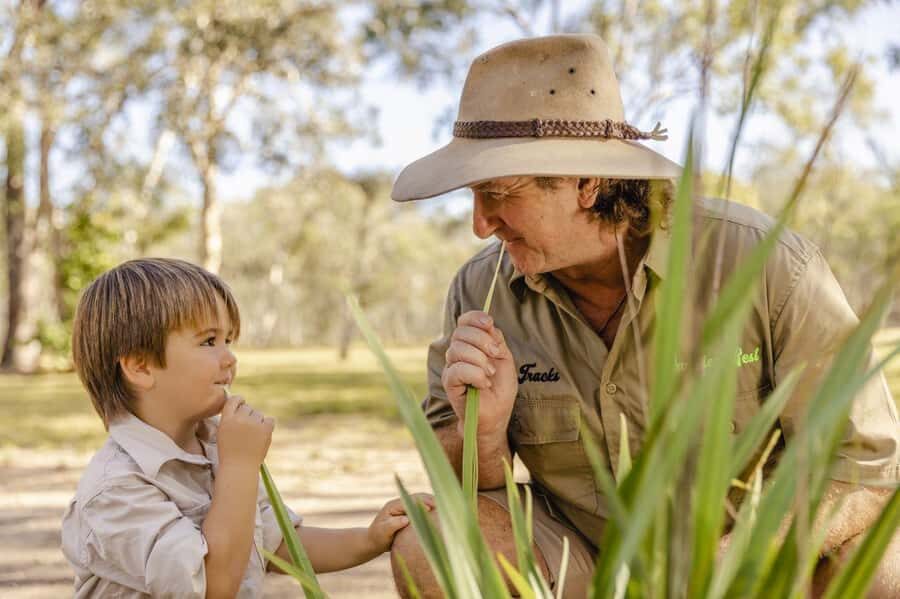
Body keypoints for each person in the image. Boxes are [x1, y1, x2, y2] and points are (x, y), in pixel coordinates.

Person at [388, 34, 900, 597]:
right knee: (429, 546)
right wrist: (480, 432)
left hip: (754, 560)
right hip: (583, 560)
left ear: (587, 183)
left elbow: (863, 465)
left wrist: (728, 563)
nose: (481, 224)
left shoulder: (765, 265)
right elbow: (470, 494)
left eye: (498, 192)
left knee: (881, 568)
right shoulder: (482, 290)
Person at [61, 258, 430, 598]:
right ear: (141, 367)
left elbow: (279, 542)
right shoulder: (115, 491)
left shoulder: (216, 446)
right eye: (208, 341)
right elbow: (210, 585)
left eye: (228, 340)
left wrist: (368, 539)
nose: (230, 358)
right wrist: (240, 466)